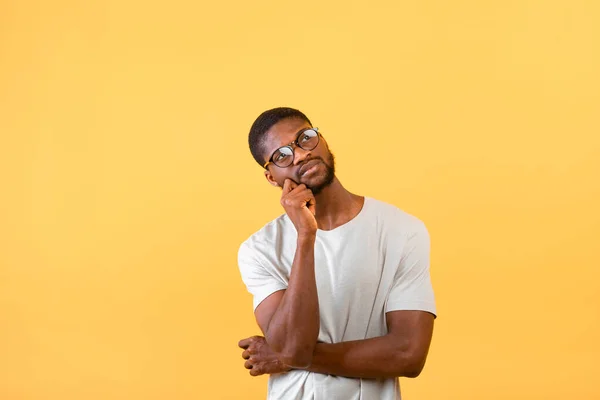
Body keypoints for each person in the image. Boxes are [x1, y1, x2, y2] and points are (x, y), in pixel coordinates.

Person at [237, 107, 437, 400]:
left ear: (322, 139)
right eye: (282, 155)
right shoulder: (259, 249)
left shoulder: (402, 230)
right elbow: (293, 347)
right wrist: (306, 237)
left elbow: (408, 354)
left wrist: (284, 358)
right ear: (271, 178)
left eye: (305, 138)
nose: (302, 154)